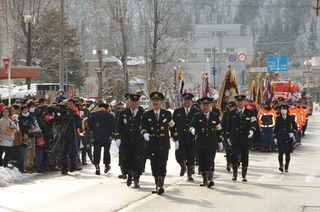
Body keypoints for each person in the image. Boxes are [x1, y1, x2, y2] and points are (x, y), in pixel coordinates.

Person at [140, 91, 178, 195]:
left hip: (163, 144)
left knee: (162, 164)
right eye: (153, 101)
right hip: (151, 144)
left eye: (157, 100)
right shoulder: (146, 115)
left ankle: (160, 185)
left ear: (161, 102)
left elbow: (172, 127)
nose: (155, 102)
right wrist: (144, 134)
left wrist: (176, 138)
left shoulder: (167, 114)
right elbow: (142, 127)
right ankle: (157, 184)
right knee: (154, 165)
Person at [189, 97, 223, 188]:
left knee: (210, 160)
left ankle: (210, 179)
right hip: (201, 142)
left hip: (212, 142)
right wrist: (193, 130)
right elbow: (191, 126)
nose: (206, 107)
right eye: (204, 105)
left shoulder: (215, 115)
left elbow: (218, 129)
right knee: (202, 161)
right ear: (201, 106)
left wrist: (220, 141)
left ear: (210, 105)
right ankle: (205, 179)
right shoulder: (197, 116)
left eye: (207, 105)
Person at [115, 94, 145, 187]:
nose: (134, 103)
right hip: (126, 141)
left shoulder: (143, 113)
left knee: (138, 160)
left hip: (138, 141)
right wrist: (117, 137)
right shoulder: (123, 112)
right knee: (126, 159)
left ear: (139, 103)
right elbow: (118, 126)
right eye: (132, 101)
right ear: (129, 102)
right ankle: (129, 174)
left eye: (136, 102)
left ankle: (136, 178)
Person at [227, 95, 257, 182]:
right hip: (235, 138)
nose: (240, 103)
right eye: (238, 101)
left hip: (245, 138)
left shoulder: (250, 112)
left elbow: (254, 122)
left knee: (245, 156)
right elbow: (229, 126)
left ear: (245, 102)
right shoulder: (232, 113)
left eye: (241, 101)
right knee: (234, 156)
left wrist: (252, 130)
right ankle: (235, 174)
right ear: (236, 102)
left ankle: (244, 175)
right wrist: (228, 136)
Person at [172, 93, 199, 180]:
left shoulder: (196, 112)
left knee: (191, 156)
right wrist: (173, 135)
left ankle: (190, 173)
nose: (187, 102)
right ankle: (182, 165)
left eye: (188, 100)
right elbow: (173, 125)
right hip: (180, 137)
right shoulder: (177, 111)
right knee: (178, 155)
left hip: (191, 138)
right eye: (185, 100)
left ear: (191, 101)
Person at [55, 99, 82, 174]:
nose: (69, 105)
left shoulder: (75, 115)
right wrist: (56, 114)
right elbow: (57, 122)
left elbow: (78, 125)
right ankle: (64, 168)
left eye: (70, 104)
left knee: (70, 151)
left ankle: (73, 163)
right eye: (68, 104)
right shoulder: (63, 114)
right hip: (63, 135)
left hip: (72, 135)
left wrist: (72, 117)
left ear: (74, 105)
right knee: (63, 152)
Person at [87, 103, 115, 175]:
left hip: (97, 135)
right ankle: (106, 165)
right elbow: (113, 125)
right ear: (107, 108)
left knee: (96, 151)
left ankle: (97, 166)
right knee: (106, 151)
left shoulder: (93, 113)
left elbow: (89, 123)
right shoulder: (110, 115)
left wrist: (93, 129)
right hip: (107, 136)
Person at [274, 104, 297, 172]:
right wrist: (275, 137)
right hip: (280, 137)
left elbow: (295, 127)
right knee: (280, 152)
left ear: (287, 110)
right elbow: (276, 128)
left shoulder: (290, 118)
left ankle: (286, 166)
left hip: (288, 137)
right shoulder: (278, 118)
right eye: (282, 109)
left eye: (284, 109)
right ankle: (281, 165)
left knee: (287, 153)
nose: (283, 110)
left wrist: (293, 133)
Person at [221, 100, 236, 172]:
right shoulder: (226, 114)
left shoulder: (236, 113)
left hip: (235, 134)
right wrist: (223, 135)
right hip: (227, 134)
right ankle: (228, 163)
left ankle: (236, 161)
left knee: (235, 150)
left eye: (232, 107)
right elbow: (223, 124)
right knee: (228, 150)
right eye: (230, 107)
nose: (231, 108)